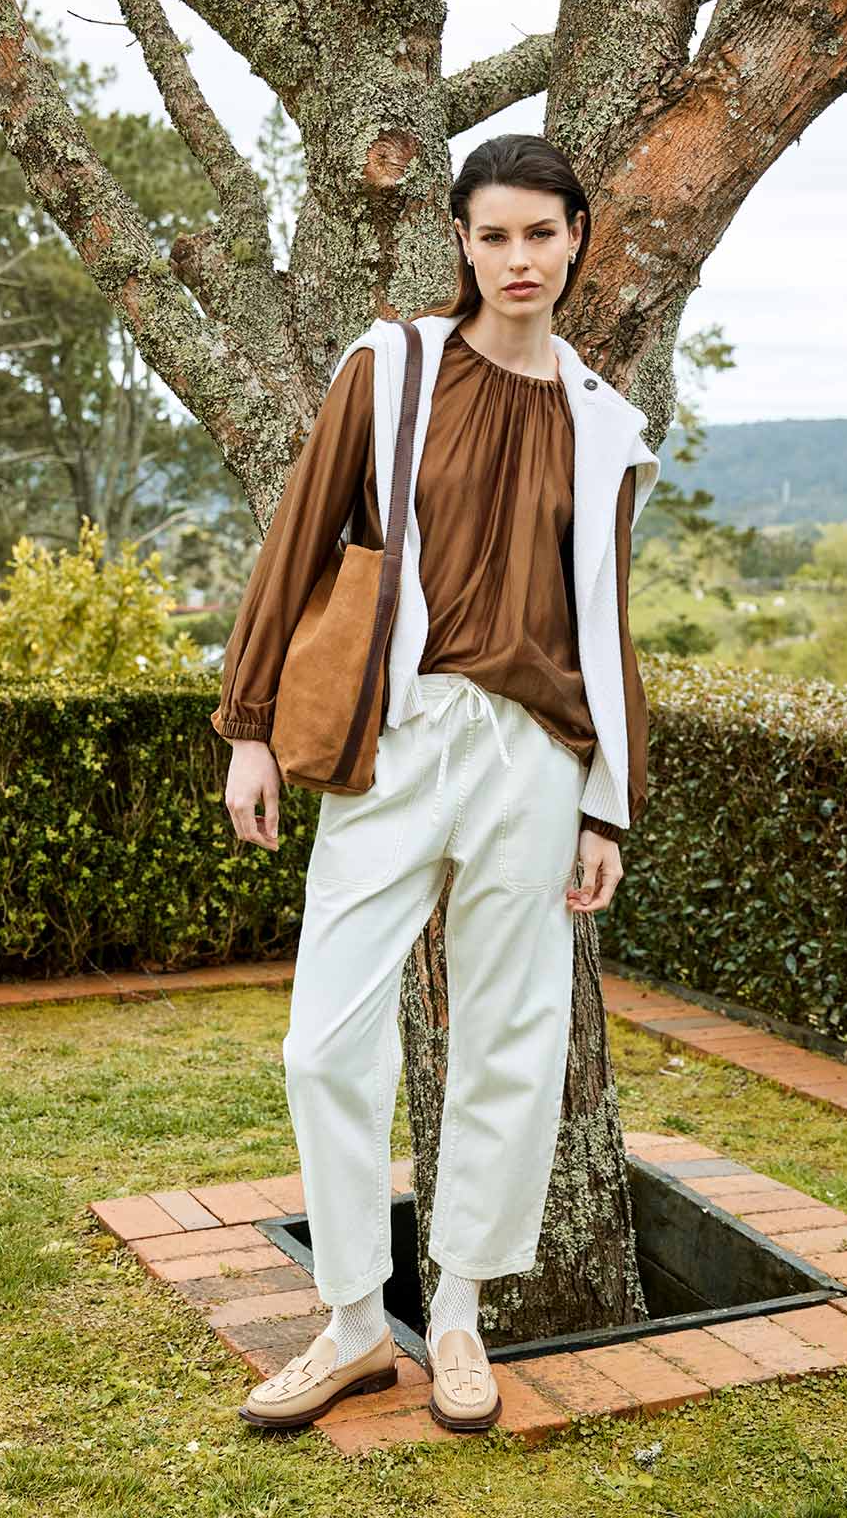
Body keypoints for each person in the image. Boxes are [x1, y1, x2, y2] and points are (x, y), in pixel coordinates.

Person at [212, 134, 659, 1434]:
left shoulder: (601, 419)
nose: (520, 258)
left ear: (578, 238)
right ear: (462, 243)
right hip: (401, 740)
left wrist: (603, 802)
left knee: (510, 1041)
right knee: (322, 1040)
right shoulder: (392, 365)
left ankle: (455, 1313)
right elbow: (301, 538)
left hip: (535, 755)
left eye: (543, 233)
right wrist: (249, 726)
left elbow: (603, 626)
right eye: (496, 234)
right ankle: (356, 1321)